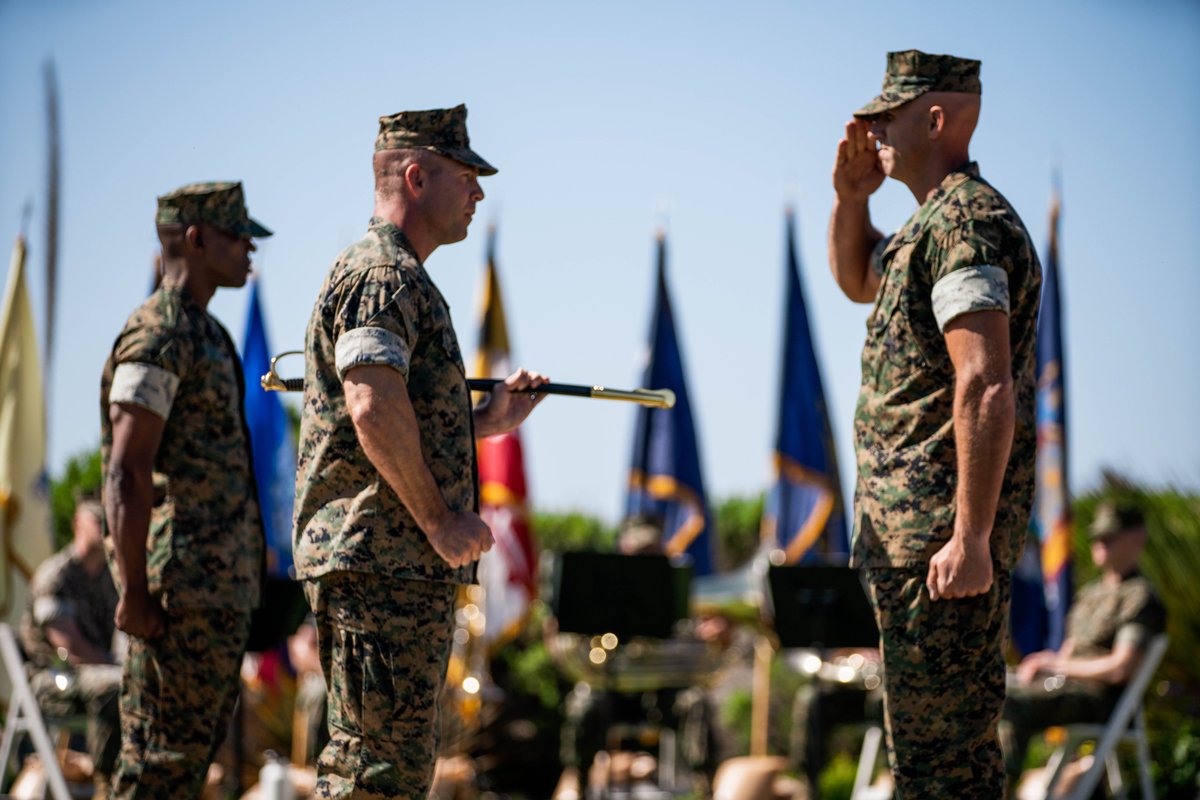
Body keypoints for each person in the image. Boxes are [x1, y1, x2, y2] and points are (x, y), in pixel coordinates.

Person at [293, 104, 547, 799]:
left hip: (391, 567)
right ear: (416, 177)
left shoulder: (400, 276)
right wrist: (439, 520)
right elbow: (370, 404)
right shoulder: (382, 274)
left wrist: (485, 421)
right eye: (466, 174)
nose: (479, 192)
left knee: (390, 773)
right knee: (372, 773)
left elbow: (398, 410)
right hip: (382, 562)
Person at [828, 50, 1041, 798]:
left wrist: (971, 536)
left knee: (940, 766)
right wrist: (852, 199)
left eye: (891, 112)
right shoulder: (928, 226)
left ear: (937, 118)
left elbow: (986, 382)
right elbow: (859, 280)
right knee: (937, 761)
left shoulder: (966, 223)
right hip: (916, 542)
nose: (875, 126)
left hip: (941, 547)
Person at [101, 181, 272, 798]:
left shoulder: (207, 333)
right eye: (237, 234)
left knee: (185, 770)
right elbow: (126, 470)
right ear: (196, 239)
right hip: (176, 598)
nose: (250, 248)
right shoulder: (159, 334)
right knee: (157, 769)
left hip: (215, 592)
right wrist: (135, 592)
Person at [1002, 502, 1166, 786]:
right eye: (1097, 537)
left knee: (1004, 703)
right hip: (1064, 687)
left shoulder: (1139, 597)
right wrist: (1041, 666)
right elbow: (1069, 652)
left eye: (1110, 537)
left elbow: (1120, 668)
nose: (1100, 544)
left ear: (1137, 537)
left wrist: (1054, 664)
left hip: (1096, 699)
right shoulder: (1091, 593)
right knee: (989, 689)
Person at [19, 499, 120, 796]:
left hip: (94, 674)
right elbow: (69, 647)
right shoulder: (56, 576)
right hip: (53, 679)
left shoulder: (109, 577)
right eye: (97, 521)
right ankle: (107, 784)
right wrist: (116, 668)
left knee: (137, 684)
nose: (105, 529)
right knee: (113, 686)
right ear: (77, 524)